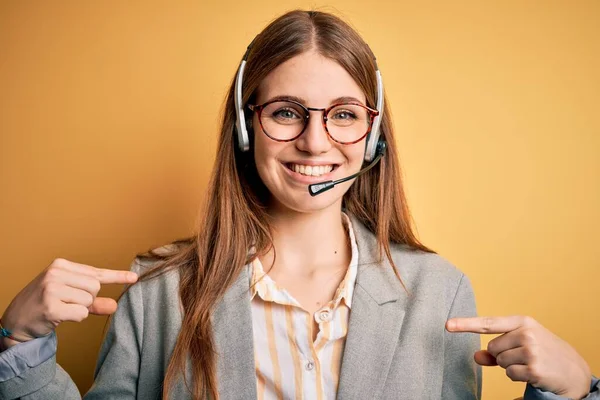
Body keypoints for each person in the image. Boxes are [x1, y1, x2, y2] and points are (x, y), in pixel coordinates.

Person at [0, 9, 597, 400]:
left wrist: (572, 393)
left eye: (342, 115)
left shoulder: (439, 292)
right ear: (245, 127)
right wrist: (20, 347)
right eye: (286, 112)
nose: (315, 142)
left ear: (373, 133)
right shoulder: (158, 288)